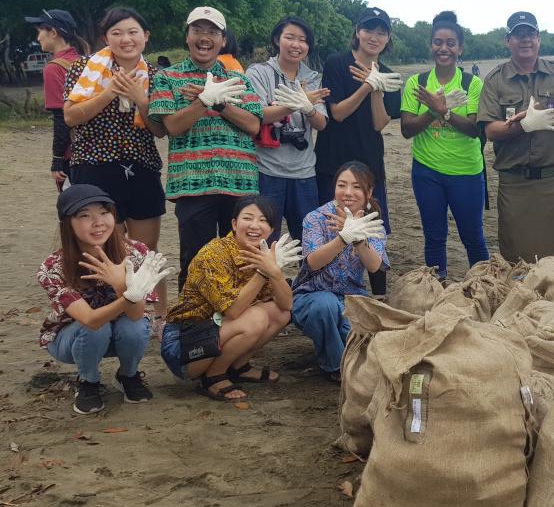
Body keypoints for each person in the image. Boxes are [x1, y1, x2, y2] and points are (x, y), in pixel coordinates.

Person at [63, 7, 170, 330]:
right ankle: (113, 309)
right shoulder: (85, 68)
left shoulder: (155, 74)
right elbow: (70, 116)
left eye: (133, 32)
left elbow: (160, 130)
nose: (126, 39)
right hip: (94, 167)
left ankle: (159, 313)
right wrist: (110, 91)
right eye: (117, 33)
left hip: (141, 166)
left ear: (146, 36)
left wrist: (140, 98)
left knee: (146, 250)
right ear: (106, 38)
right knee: (104, 247)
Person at [149, 6, 264, 287]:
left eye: (212, 32)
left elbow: (253, 125)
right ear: (187, 36)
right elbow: (171, 127)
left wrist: (220, 103)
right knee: (196, 261)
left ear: (223, 40)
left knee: (240, 259)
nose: (204, 37)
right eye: (197, 30)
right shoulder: (167, 78)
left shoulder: (239, 80)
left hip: (240, 184)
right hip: (193, 185)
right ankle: (193, 327)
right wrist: (202, 101)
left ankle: (236, 323)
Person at [36, 185, 173, 413]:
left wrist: (120, 285)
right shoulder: (53, 267)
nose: (98, 222)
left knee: (136, 326)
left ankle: (128, 375)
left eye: (104, 212)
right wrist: (127, 293)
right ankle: (88, 381)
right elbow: (89, 320)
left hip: (120, 333)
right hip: (70, 339)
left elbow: (136, 314)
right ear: (67, 224)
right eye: (85, 216)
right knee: (95, 329)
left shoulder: (135, 252)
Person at [160, 196, 301, 402]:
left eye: (263, 221)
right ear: (234, 224)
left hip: (215, 332)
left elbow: (287, 306)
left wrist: (275, 273)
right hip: (183, 345)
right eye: (248, 218)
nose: (255, 225)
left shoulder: (261, 254)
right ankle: (213, 378)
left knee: (279, 313)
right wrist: (263, 273)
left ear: (271, 230)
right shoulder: (213, 254)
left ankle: (238, 367)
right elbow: (233, 312)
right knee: (256, 318)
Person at [479, 12, 554, 262]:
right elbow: (490, 130)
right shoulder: (496, 80)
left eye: (530, 34)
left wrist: (547, 117)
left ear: (538, 39)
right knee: (518, 261)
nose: (525, 40)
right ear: (508, 40)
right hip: (515, 184)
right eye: (518, 35)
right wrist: (523, 126)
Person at [316, 6, 403, 295]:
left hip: (369, 164)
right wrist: (366, 86)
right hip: (333, 160)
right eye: (369, 30)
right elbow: (338, 113)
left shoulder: (389, 76)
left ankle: (378, 294)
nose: (374, 37)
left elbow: (379, 123)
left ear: (388, 38)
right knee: (332, 227)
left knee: (373, 228)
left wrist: (378, 87)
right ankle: (332, 291)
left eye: (381, 32)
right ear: (357, 32)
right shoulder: (336, 63)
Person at [399, 11, 489, 278]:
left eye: (451, 43)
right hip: (427, 171)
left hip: (467, 172)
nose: (444, 48)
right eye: (438, 42)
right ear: (431, 46)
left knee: (473, 236)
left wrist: (445, 111)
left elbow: (474, 129)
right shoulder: (418, 82)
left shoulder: (472, 83)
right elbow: (406, 129)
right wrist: (435, 111)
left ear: (460, 48)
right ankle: (436, 289)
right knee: (434, 236)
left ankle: (484, 286)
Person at [292, 162, 388, 381]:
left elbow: (374, 266)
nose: (348, 193)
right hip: (311, 296)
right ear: (333, 187)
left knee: (363, 339)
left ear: (369, 192)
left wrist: (359, 239)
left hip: (352, 299)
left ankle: (343, 356)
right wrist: (343, 238)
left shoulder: (372, 224)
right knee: (326, 306)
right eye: (342, 185)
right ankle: (337, 368)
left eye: (356, 187)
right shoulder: (315, 218)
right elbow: (313, 262)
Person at [245, 16, 329, 241]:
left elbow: (321, 122)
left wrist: (308, 108)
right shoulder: (258, 73)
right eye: (289, 37)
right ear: (277, 39)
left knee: (309, 242)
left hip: (304, 173)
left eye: (303, 40)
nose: (296, 44)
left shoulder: (312, 78)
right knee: (264, 240)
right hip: (267, 171)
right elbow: (258, 114)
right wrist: (294, 103)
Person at [25, 9, 88, 192]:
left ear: (53, 33)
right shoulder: (86, 61)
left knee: (75, 212)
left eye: (39, 32)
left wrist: (57, 160)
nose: (38, 38)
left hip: (73, 153)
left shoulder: (54, 68)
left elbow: (61, 118)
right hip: (95, 148)